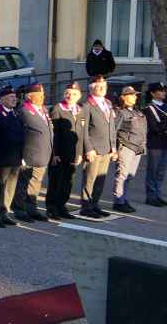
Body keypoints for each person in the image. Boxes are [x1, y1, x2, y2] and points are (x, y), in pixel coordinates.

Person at [12, 83, 53, 223]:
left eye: (43, 94)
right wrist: (20, 155)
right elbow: (19, 134)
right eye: (39, 95)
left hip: (42, 154)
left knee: (36, 183)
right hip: (28, 154)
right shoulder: (23, 111)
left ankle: (32, 209)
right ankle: (19, 209)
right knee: (22, 184)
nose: (42, 97)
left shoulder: (43, 110)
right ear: (30, 96)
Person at [80, 75, 116, 219]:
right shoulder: (87, 105)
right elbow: (84, 130)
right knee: (90, 179)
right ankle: (86, 206)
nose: (102, 89)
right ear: (91, 88)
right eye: (98, 86)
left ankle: (95, 204)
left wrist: (113, 147)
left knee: (101, 179)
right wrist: (88, 148)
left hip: (106, 148)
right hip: (94, 149)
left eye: (104, 86)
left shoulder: (108, 103)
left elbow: (111, 127)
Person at [48, 82, 84, 220]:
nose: (70, 96)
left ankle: (61, 206)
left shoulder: (80, 110)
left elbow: (81, 134)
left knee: (68, 183)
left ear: (79, 96)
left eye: (74, 94)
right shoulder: (57, 109)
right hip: (60, 154)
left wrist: (79, 153)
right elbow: (54, 134)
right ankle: (52, 208)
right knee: (56, 182)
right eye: (68, 93)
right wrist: (54, 154)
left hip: (73, 154)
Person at [0, 87, 24, 227]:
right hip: (1, 159)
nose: (14, 99)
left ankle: (4, 212)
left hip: (15, 158)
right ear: (1, 100)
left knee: (9, 188)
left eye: (15, 96)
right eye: (11, 97)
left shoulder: (15, 114)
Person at [112, 86, 146, 213]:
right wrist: (114, 149)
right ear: (123, 97)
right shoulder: (120, 112)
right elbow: (114, 131)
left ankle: (123, 198)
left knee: (130, 176)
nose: (135, 97)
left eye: (135, 94)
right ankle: (118, 201)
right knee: (122, 175)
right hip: (126, 146)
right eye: (131, 94)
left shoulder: (137, 112)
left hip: (137, 147)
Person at [142, 82, 167, 207]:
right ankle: (151, 196)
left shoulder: (165, 106)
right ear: (152, 93)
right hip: (155, 143)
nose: (163, 92)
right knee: (153, 170)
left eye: (164, 90)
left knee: (161, 171)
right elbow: (153, 127)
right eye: (160, 90)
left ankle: (158, 195)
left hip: (165, 143)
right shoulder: (149, 108)